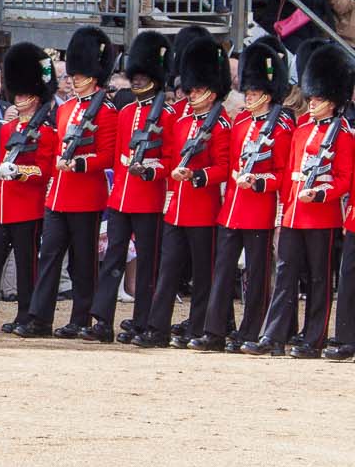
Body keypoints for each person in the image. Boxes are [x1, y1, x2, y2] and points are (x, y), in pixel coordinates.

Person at [246, 45, 354, 357]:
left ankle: (314, 338)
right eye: (312, 97)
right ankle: (274, 335)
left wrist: (322, 193)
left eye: (319, 99)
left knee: (319, 280)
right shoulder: (301, 130)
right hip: (295, 214)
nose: (313, 102)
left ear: (332, 101)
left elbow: (345, 179)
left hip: (322, 215)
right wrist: (286, 209)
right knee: (285, 277)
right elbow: (291, 173)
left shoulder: (343, 135)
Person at [17, 27, 117, 338]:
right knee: (48, 257)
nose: (73, 80)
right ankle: (40, 317)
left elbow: (107, 155)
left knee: (83, 263)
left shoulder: (107, 111)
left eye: (79, 74)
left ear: (93, 75)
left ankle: (81, 318)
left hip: (86, 195)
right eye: (72, 75)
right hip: (58, 196)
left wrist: (80, 163)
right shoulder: (67, 109)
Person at [137, 37, 232, 348]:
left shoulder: (221, 124)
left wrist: (197, 176)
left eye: (196, 90)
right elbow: (170, 158)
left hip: (204, 208)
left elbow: (223, 167)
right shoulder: (181, 121)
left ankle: (198, 325)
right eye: (189, 90)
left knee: (203, 275)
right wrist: (154, 170)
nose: (190, 95)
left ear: (212, 92)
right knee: (167, 271)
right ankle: (157, 327)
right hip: (176, 207)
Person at [198, 41, 289, 353]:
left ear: (266, 94)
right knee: (222, 273)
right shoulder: (240, 123)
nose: (248, 98)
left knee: (257, 278)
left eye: (253, 94)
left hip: (259, 210)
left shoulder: (280, 128)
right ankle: (216, 330)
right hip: (232, 210)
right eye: (247, 93)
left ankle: (252, 331)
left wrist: (259, 182)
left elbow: (281, 172)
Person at [0, 43, 57, 332]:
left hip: (28, 208)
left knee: (26, 268)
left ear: (37, 97)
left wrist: (19, 172)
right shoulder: (7, 129)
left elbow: (44, 170)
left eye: (26, 94)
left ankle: (25, 315)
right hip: (1, 207)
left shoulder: (46, 132)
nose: (20, 99)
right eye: (17, 94)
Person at [88, 31, 170, 343]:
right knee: (113, 259)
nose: (135, 82)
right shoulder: (126, 112)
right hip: (122, 197)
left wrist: (150, 170)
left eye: (141, 77)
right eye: (133, 77)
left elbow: (170, 158)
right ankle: (102, 320)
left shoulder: (166, 114)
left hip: (148, 198)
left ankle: (142, 320)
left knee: (147, 264)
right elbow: (118, 156)